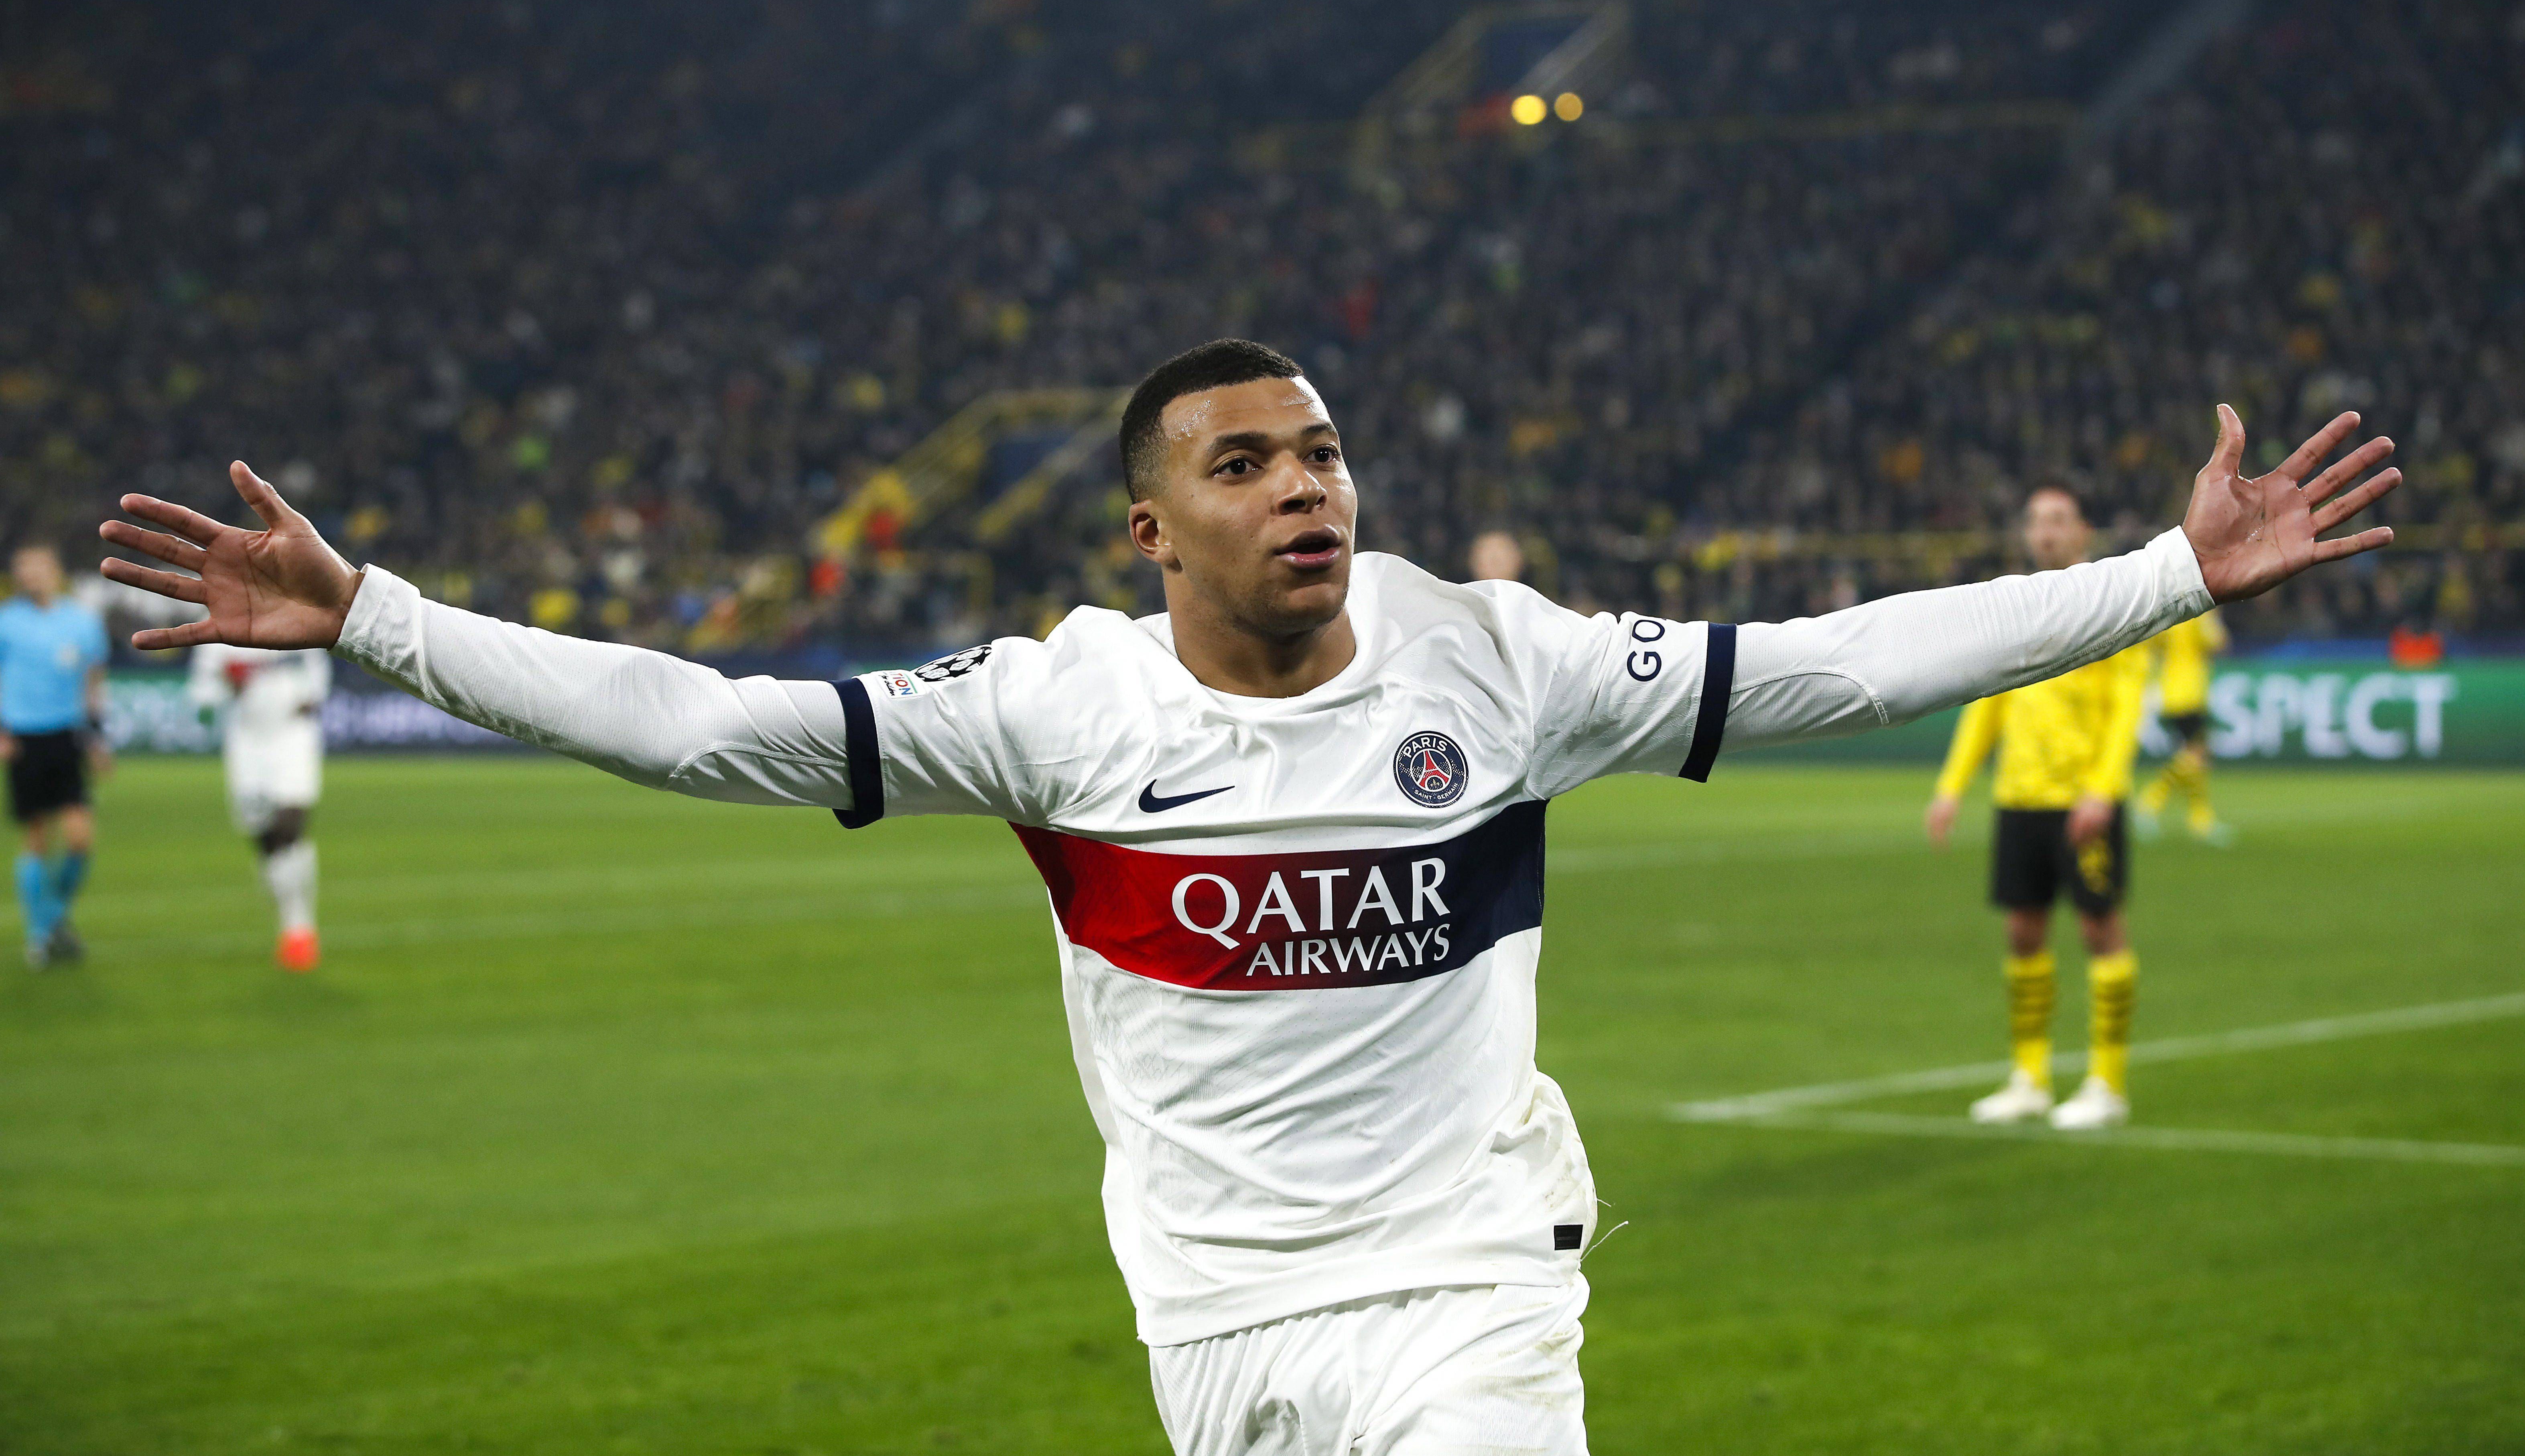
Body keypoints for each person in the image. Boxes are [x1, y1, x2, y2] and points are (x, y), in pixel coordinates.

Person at [100, 342, 2397, 1455]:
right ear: (1150, 527)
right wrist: (380, 612)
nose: (1303, 484)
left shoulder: (1492, 664)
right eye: (1244, 461)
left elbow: (1836, 662)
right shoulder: (1053, 712)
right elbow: (701, 723)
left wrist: (2171, 572)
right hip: (1213, 1323)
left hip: (1474, 1288)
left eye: (1318, 449)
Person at [1925, 483, 2151, 1131]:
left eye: (2057, 520)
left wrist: (2102, 790)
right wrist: (1951, 787)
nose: (2044, 531)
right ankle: (2029, 1077)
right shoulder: (2012, 604)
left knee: (2097, 930)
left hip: (2081, 802)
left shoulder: (2113, 604)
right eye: (2035, 521)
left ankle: (2106, 1083)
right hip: (2018, 797)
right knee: (2023, 932)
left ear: (2083, 529)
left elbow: (2126, 705)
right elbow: (1985, 705)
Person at [0, 544, 113, 969]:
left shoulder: (82, 623)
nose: (31, 576)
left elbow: (94, 684)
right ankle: (39, 936)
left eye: (38, 568)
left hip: (67, 736)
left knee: (81, 839)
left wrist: (98, 739)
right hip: (23, 737)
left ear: (55, 571)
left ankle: (52, 920)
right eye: (23, 569)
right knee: (36, 838)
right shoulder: (7, 621)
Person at [187, 643, 331, 970]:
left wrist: (312, 696)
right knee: (266, 837)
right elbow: (202, 699)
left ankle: (300, 929)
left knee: (291, 823)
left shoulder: (297, 606)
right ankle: (291, 923)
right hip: (247, 741)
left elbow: (317, 671)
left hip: (294, 733)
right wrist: (228, 684)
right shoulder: (213, 625)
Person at [2135, 609, 2231, 844]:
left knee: (2196, 758)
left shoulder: (2169, 614)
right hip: (2189, 692)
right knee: (2196, 756)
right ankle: (2150, 802)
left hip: (2170, 690)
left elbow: (2152, 646)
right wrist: (2215, 616)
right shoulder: (2200, 613)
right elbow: (2218, 643)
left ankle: (2200, 820)